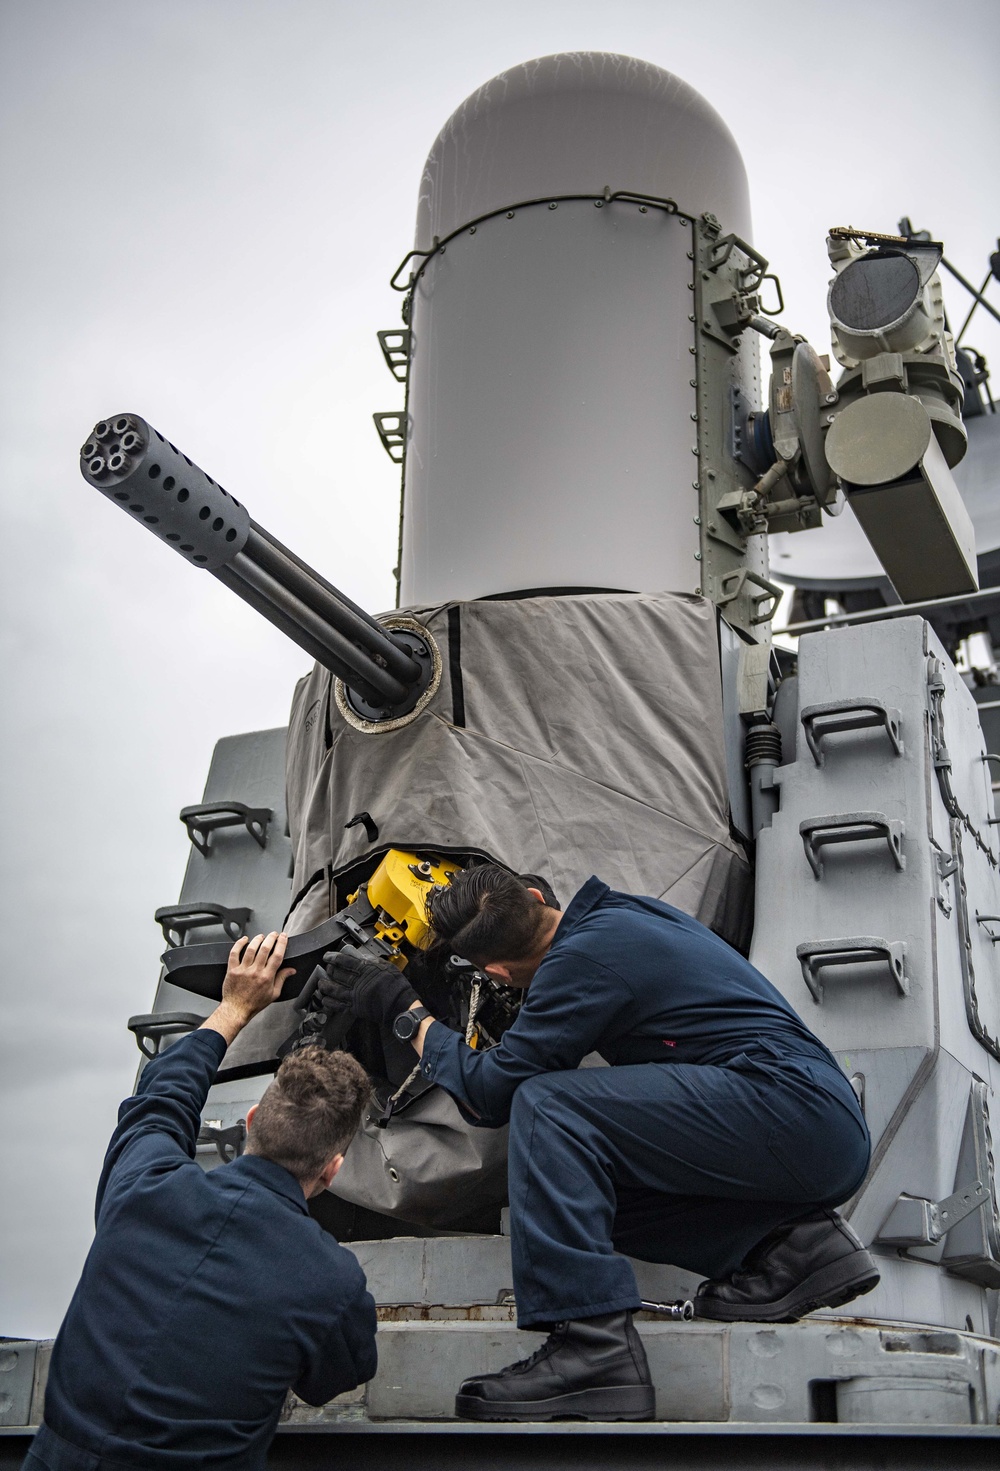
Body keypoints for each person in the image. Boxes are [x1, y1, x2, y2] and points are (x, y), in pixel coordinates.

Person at [322, 867, 877, 1424]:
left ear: (494, 971)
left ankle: (592, 1350)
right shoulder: (618, 916)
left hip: (791, 1109)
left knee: (547, 1107)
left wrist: (405, 1011)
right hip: (808, 1119)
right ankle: (792, 1250)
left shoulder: (582, 962)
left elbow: (493, 1094)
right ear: (539, 896)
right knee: (572, 1190)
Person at [26, 931, 378, 1471]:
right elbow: (336, 1377)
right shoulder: (331, 1281)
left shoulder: (144, 1187)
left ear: (252, 1121)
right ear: (333, 1169)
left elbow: (160, 1096)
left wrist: (235, 1006)